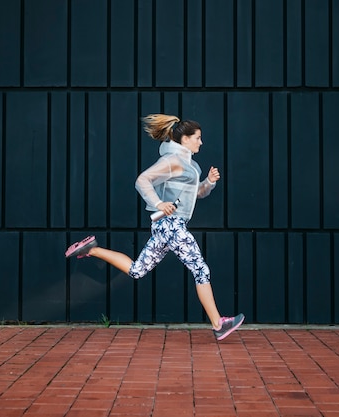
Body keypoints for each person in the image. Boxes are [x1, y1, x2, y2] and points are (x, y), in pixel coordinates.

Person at [66, 114, 244, 341]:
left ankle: (91, 249)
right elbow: (142, 180)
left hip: (166, 227)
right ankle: (219, 324)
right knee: (200, 269)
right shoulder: (172, 161)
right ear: (185, 140)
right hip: (171, 225)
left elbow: (196, 194)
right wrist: (159, 203)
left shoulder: (192, 165)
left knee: (137, 270)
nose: (201, 142)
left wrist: (208, 182)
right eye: (197, 138)